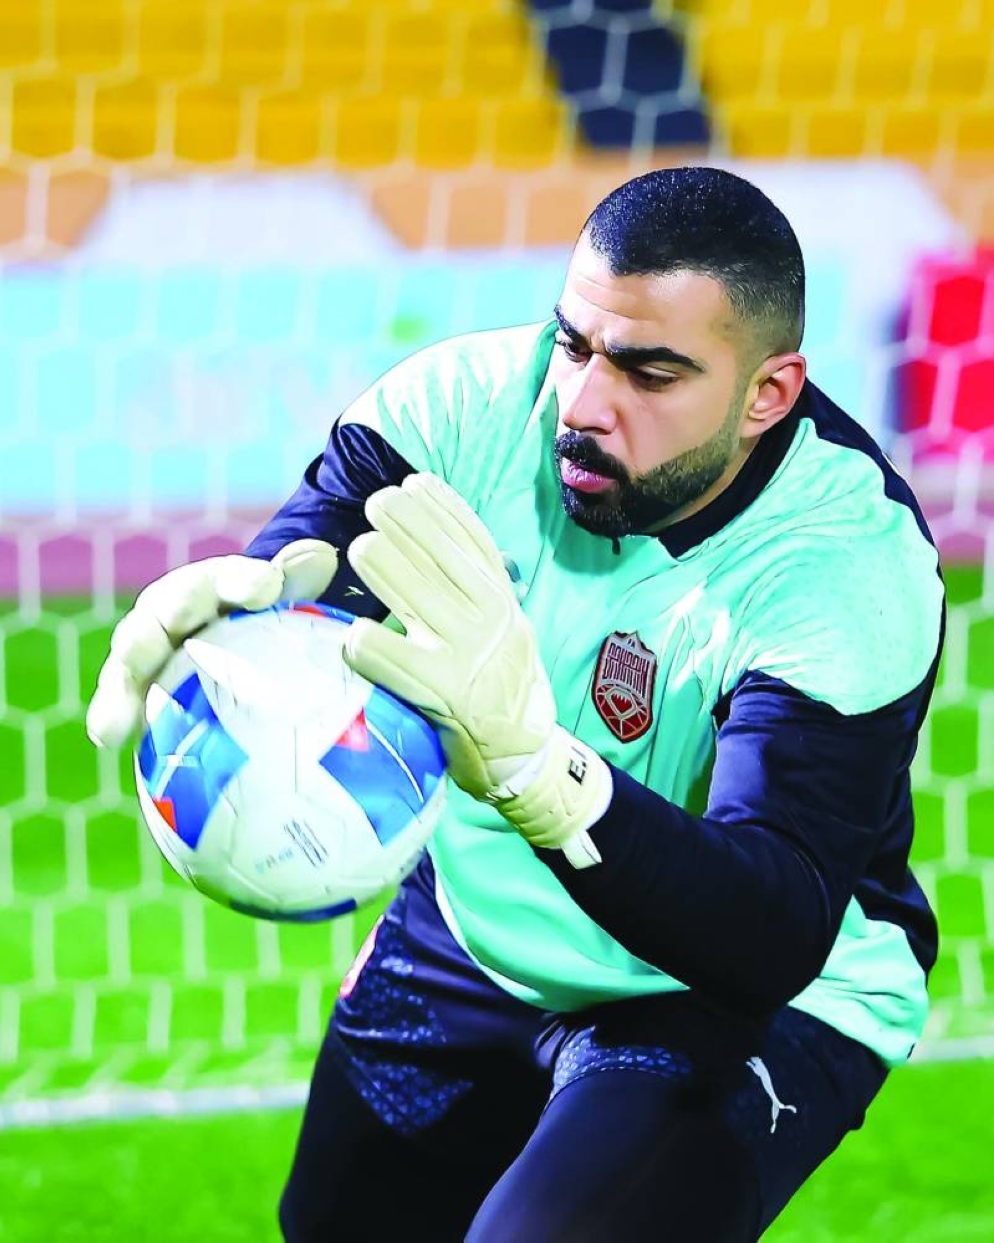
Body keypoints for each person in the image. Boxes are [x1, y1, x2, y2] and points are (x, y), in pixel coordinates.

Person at [87, 167, 945, 1241]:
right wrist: (240, 624)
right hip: (475, 927)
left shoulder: (844, 565)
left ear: (767, 394)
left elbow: (766, 933)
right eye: (576, 343)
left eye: (650, 371)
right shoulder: (456, 410)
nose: (582, 404)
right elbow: (308, 576)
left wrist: (541, 777)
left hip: (733, 993)